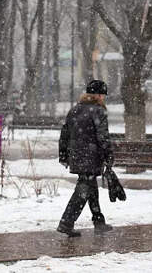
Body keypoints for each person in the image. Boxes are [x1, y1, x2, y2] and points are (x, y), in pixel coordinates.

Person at [57, 79, 114, 237]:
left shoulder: (75, 109)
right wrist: (108, 155)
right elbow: (103, 137)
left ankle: (98, 222)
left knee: (90, 187)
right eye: (103, 95)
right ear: (97, 95)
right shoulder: (98, 111)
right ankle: (66, 223)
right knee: (83, 190)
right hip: (91, 156)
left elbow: (64, 134)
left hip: (76, 155)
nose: (104, 98)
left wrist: (63, 154)